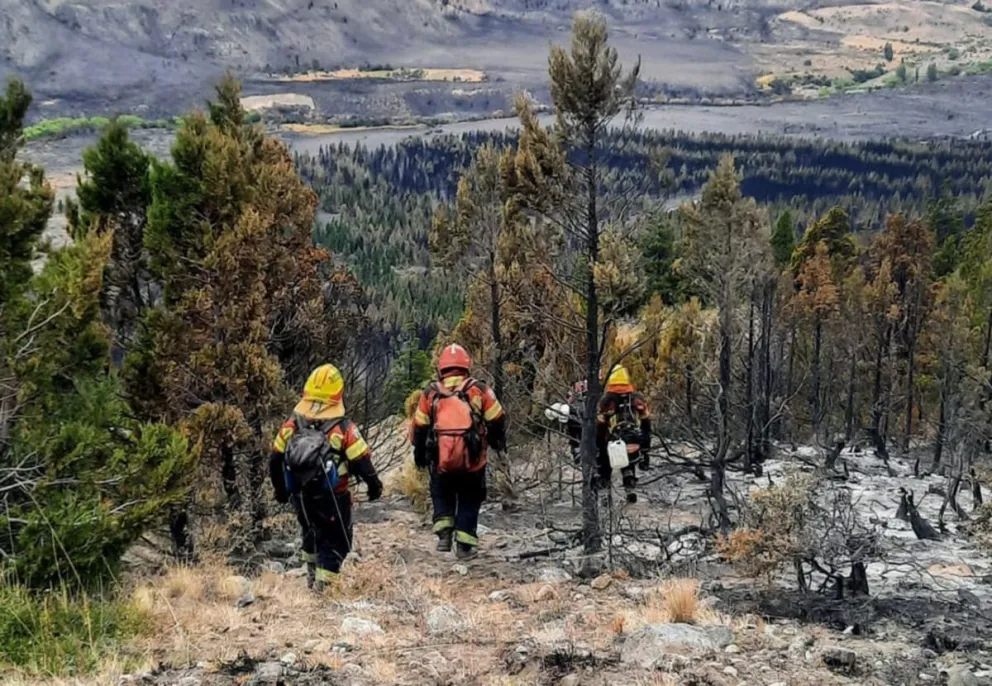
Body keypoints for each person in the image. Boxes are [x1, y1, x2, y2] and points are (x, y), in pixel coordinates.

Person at [269, 364, 382, 591]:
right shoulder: (343, 428)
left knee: (309, 532)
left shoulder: (292, 424)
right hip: (333, 496)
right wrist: (374, 486)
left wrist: (281, 491)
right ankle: (326, 587)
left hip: (300, 496)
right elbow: (361, 461)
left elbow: (274, 459)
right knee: (336, 540)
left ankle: (311, 575)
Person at [412, 344, 507, 560]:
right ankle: (464, 546)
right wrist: (496, 444)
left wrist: (419, 454)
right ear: (467, 366)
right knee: (470, 497)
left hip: (440, 460)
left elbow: (419, 426)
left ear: (441, 368)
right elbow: (498, 419)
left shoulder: (430, 393)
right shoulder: (478, 389)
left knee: (441, 492)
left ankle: (444, 532)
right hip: (473, 460)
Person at [596, 365, 652, 504]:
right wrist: (645, 450)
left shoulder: (607, 400)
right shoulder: (637, 397)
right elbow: (646, 422)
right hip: (634, 435)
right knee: (628, 463)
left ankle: (605, 493)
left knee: (604, 463)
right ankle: (630, 485)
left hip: (615, 435)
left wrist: (600, 445)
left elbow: (601, 423)